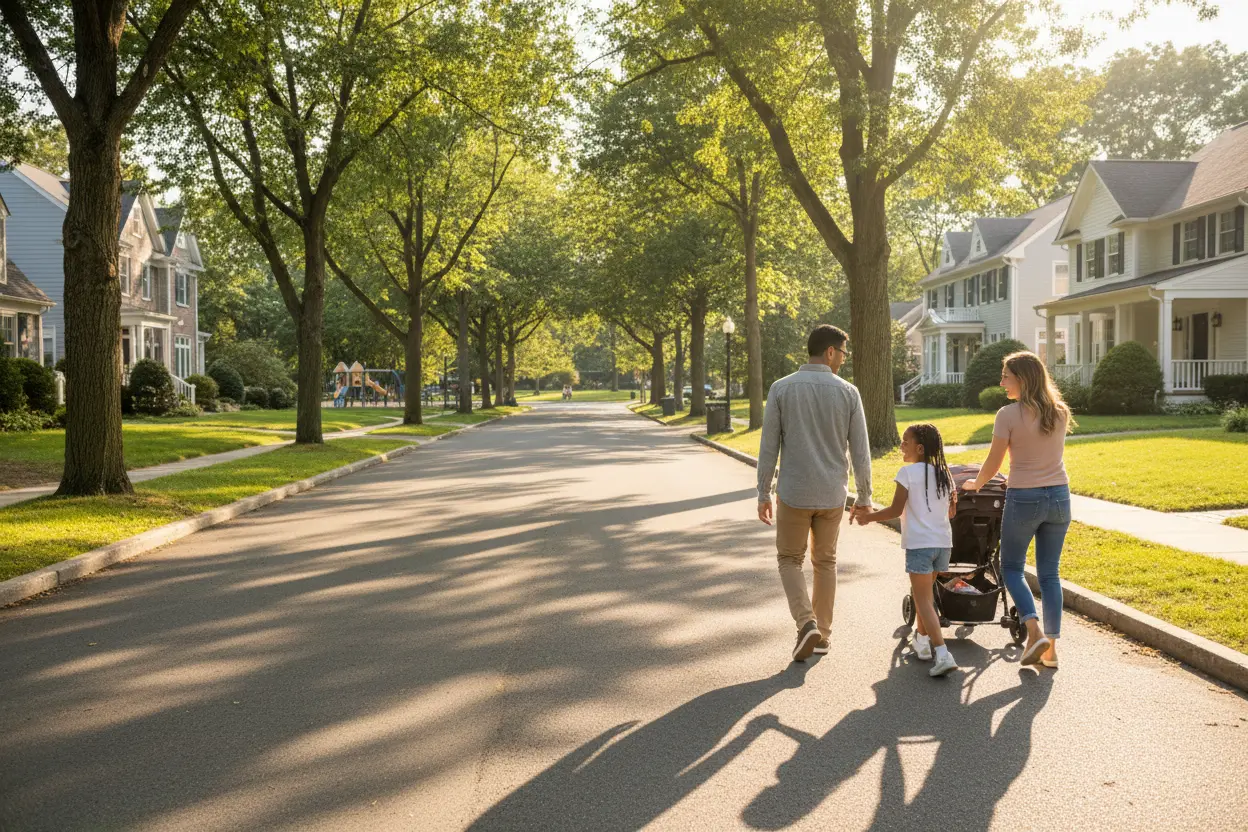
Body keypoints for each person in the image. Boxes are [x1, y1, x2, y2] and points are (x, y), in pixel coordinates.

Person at [757, 324, 872, 662]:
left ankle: (805, 622)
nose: (844, 360)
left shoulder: (781, 389)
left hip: (794, 491)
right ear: (830, 352)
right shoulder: (848, 392)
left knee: (789, 560)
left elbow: (768, 446)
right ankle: (822, 633)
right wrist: (864, 495)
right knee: (826, 562)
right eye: (843, 353)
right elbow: (861, 449)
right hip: (832, 494)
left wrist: (764, 490)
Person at [964, 351, 1074, 669]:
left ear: (1022, 379)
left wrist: (976, 484)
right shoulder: (1060, 411)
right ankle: (1050, 651)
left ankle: (1033, 629)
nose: (1002, 383)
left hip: (1025, 497)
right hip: (1059, 496)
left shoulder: (1008, 415)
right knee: (1050, 574)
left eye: (1006, 377)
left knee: (1010, 567)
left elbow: (995, 461)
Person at [855, 424, 959, 677]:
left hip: (920, 545)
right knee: (924, 596)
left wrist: (868, 518)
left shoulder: (907, 473)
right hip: (942, 544)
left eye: (905, 442)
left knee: (923, 600)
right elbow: (952, 511)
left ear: (919, 448)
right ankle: (922, 643)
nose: (901, 445)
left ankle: (943, 653)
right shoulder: (945, 473)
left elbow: (894, 510)